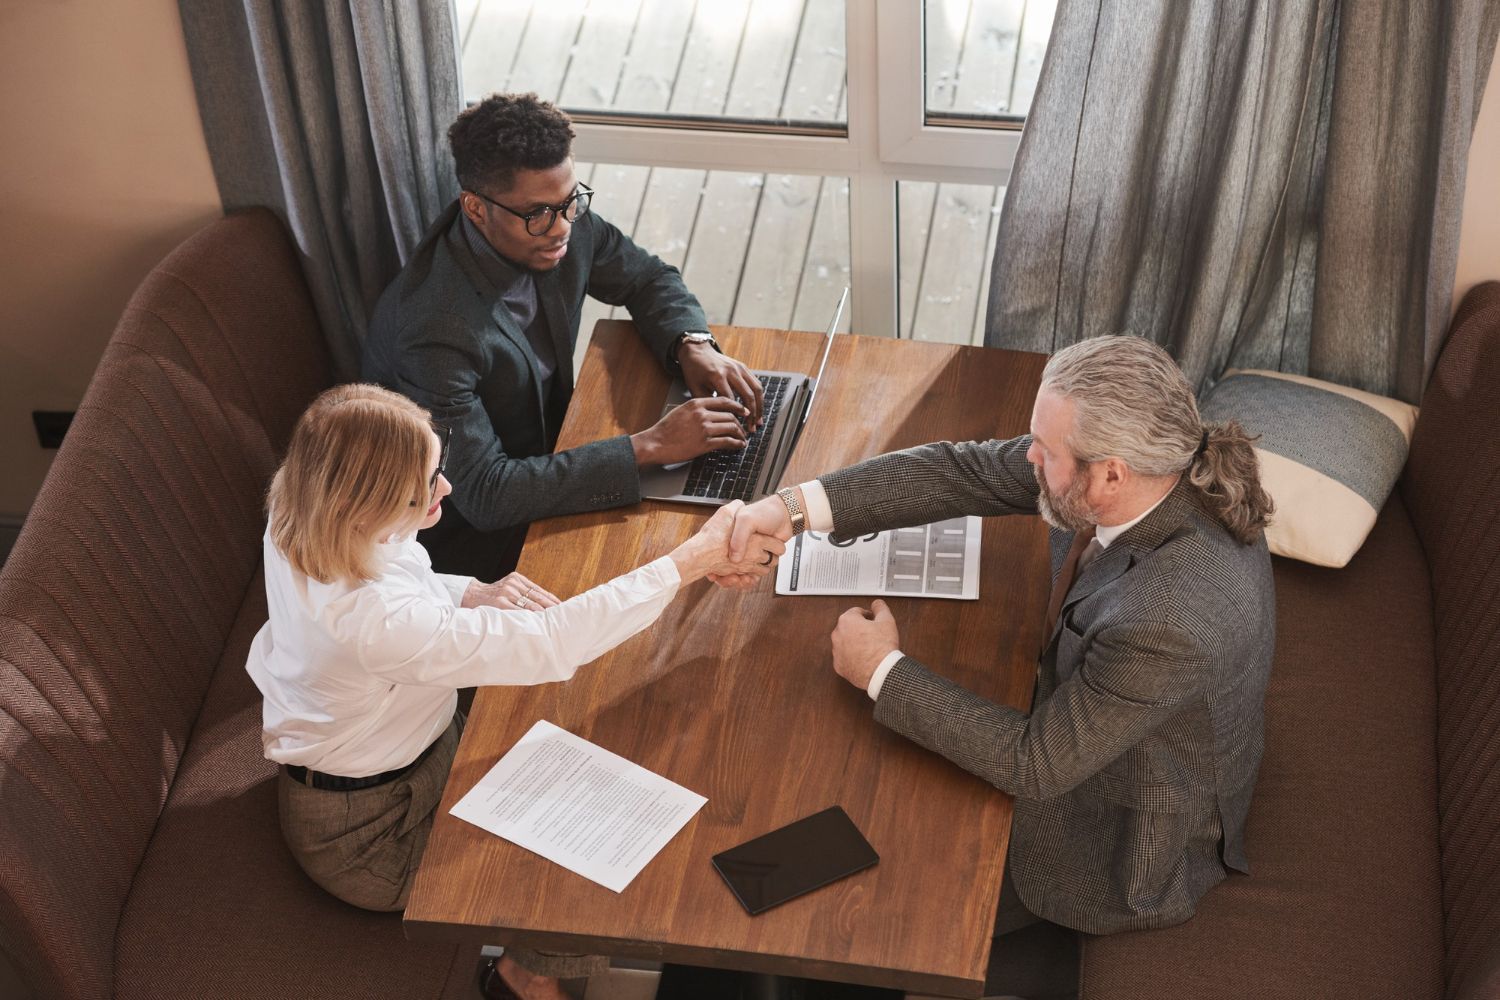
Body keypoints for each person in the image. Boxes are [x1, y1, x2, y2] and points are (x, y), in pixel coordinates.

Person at [729, 335, 1277, 940]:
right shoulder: (1151, 470)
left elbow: (1034, 763)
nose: (1029, 459)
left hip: (1116, 831)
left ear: (1109, 476)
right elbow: (962, 469)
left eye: (1044, 450)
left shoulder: (1167, 620)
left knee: (861, 883)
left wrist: (880, 668)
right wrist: (791, 510)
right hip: (1094, 708)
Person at [245, 384, 780, 1000]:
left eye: (437, 468)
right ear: (360, 505)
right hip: (370, 831)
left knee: (614, 750)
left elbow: (391, 573)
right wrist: (689, 560)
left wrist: (462, 591)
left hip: (421, 741)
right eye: (423, 489)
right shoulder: (371, 624)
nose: (445, 490)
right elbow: (555, 644)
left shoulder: (302, 502)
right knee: (586, 863)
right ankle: (525, 975)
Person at [364, 92, 766, 580]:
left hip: (559, 450)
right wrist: (651, 446)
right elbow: (487, 494)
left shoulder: (556, 221)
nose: (561, 229)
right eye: (539, 214)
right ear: (475, 208)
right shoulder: (433, 330)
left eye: (571, 201)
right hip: (471, 540)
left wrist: (692, 345)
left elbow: (646, 278)